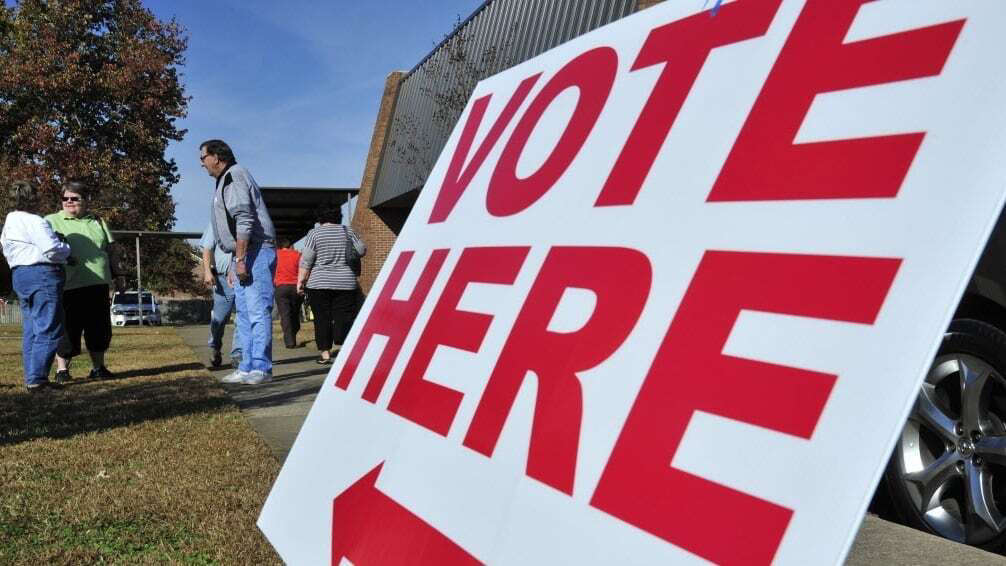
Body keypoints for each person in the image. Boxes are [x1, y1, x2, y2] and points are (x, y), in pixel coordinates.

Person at [201, 139, 277, 385]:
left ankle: (261, 368)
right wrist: (235, 260)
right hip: (243, 254)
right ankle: (245, 367)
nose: (202, 164)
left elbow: (244, 220)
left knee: (257, 312)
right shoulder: (224, 180)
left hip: (256, 251)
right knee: (243, 315)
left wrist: (241, 259)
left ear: (216, 157)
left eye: (203, 158)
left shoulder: (234, 176)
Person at [46, 181, 124, 382]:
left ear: (86, 200)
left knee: (99, 330)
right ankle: (62, 370)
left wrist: (119, 275)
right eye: (66, 198)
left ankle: (98, 368)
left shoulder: (97, 221)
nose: (69, 202)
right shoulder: (50, 221)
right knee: (68, 331)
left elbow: (112, 251)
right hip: (67, 286)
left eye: (75, 198)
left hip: (98, 285)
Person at [1, 181, 72, 392]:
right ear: (33, 198)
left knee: (32, 328)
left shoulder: (10, 221)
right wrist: (66, 248)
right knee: (50, 327)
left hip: (20, 275)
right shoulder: (35, 221)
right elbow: (51, 249)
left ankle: (32, 376)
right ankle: (37, 379)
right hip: (42, 274)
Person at [297, 205, 365, 365]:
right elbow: (362, 250)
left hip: (318, 283)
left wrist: (300, 282)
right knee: (344, 316)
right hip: (345, 282)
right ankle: (340, 338)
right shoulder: (348, 231)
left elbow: (306, 260)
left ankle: (325, 354)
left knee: (321, 318)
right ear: (338, 216)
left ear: (319, 218)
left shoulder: (314, 234)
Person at [200, 221, 242, 368]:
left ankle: (238, 355)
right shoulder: (216, 222)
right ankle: (215, 347)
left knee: (242, 317)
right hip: (222, 279)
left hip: (243, 277)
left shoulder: (245, 221)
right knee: (220, 318)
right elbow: (207, 248)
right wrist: (207, 272)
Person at [274, 238, 303, 349]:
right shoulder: (298, 255)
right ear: (290, 245)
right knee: (295, 313)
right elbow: (303, 269)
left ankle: (290, 341)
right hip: (295, 287)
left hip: (281, 287)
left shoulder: (276, 255)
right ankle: (293, 333)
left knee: (285, 315)